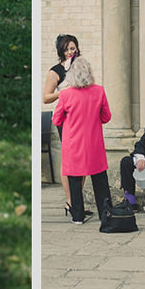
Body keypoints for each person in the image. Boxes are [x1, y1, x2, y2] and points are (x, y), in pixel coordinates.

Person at [51, 57, 112, 225]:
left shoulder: (65, 94)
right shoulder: (99, 91)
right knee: (100, 179)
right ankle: (105, 212)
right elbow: (107, 117)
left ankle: (77, 216)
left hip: (73, 143)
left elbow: (56, 119)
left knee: (75, 180)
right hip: (94, 142)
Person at [42, 34, 82, 215]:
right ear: (61, 51)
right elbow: (46, 97)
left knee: (83, 159)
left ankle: (77, 199)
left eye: (72, 48)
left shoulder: (82, 68)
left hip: (83, 118)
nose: (70, 52)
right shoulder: (56, 71)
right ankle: (70, 201)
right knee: (69, 159)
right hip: (66, 119)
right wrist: (64, 92)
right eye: (66, 49)